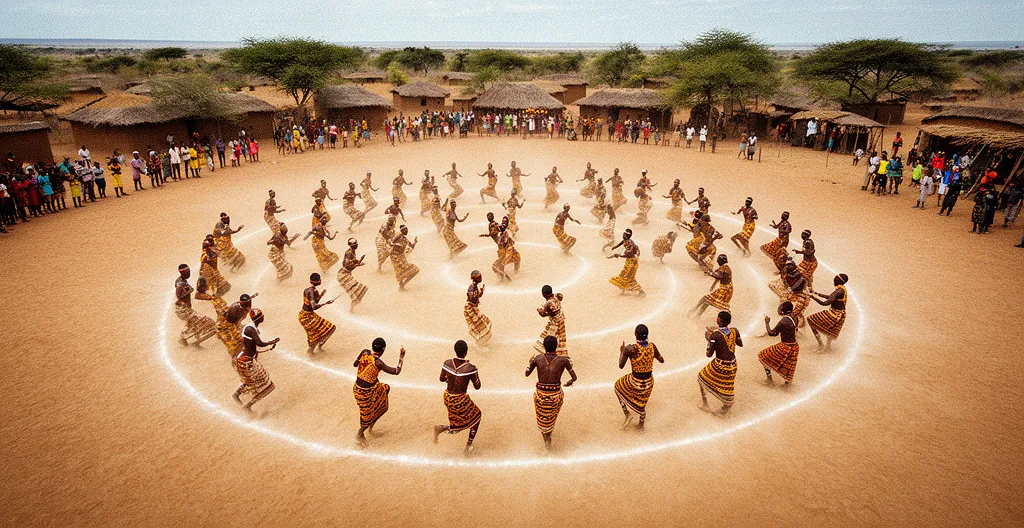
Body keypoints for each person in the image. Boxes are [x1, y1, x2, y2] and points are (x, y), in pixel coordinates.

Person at [526, 335, 577, 450]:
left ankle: (547, 443)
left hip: (540, 396)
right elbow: (574, 377)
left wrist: (529, 363)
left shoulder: (537, 358)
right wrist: (568, 383)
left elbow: (527, 373)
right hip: (555, 396)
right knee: (550, 419)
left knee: (543, 421)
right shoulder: (564, 360)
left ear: (544, 346)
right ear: (556, 346)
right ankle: (548, 440)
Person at [433, 340, 482, 455]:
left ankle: (441, 429)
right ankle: (467, 448)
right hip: (459, 399)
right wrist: (475, 373)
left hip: (447, 397)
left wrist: (451, 379)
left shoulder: (447, 363)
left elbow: (441, 379)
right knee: (476, 417)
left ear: (455, 350)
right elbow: (477, 386)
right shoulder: (470, 368)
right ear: (466, 352)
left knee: (460, 422)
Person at [353, 338, 405, 446]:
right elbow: (396, 371)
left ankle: (370, 424)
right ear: (383, 350)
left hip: (359, 388)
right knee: (371, 414)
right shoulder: (378, 363)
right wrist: (401, 356)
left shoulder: (365, 352)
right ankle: (360, 433)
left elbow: (355, 364)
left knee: (385, 389)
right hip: (366, 392)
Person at [614, 324, 664, 429]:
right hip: (649, 382)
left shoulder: (630, 349)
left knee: (617, 386)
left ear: (635, 334)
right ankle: (641, 423)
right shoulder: (652, 346)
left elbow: (621, 366)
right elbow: (661, 360)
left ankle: (627, 414)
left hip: (635, 381)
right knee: (642, 400)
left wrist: (622, 352)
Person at [232, 308, 279, 413]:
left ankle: (237, 395)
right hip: (246, 361)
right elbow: (259, 343)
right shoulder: (250, 329)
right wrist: (272, 342)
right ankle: (248, 406)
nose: (263, 317)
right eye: (262, 315)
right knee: (268, 385)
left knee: (251, 381)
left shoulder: (251, 328)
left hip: (246, 360)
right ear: (259, 318)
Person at [699, 311, 742, 415]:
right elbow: (740, 344)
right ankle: (725, 407)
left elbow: (708, 354)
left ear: (719, 321)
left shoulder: (715, 335)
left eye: (717, 318)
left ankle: (706, 404)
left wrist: (709, 339)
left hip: (721, 365)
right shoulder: (735, 330)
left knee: (701, 378)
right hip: (733, 364)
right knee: (728, 386)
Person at [759, 301, 799, 386]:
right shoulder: (795, 318)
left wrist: (767, 323)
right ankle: (787, 384)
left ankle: (769, 380)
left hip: (785, 346)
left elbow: (772, 333)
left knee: (763, 356)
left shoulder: (783, 321)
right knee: (789, 366)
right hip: (794, 346)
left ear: (783, 310)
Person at [174, 264, 217, 346]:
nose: (189, 273)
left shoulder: (182, 280)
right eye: (188, 272)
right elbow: (179, 295)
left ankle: (183, 339)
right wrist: (189, 291)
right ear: (184, 273)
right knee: (208, 321)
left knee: (193, 324)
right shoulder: (180, 283)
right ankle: (188, 338)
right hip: (183, 310)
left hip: (184, 309)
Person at [808, 274, 850, 351]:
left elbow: (825, 303)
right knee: (831, 329)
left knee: (810, 319)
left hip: (835, 313)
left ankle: (821, 344)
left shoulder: (838, 291)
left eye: (835, 280)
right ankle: (828, 347)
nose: (833, 281)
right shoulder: (842, 289)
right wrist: (816, 293)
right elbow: (831, 297)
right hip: (840, 314)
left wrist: (812, 297)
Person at [299, 273, 337, 354]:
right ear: (315, 281)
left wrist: (321, 295)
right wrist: (326, 303)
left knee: (315, 335)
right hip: (307, 316)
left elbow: (313, 302)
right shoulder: (312, 291)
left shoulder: (308, 290)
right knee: (331, 328)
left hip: (305, 315)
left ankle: (312, 350)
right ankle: (317, 347)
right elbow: (314, 306)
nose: (320, 281)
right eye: (319, 280)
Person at [608, 229, 644, 296]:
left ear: (627, 236)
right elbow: (622, 242)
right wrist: (615, 247)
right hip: (629, 262)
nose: (623, 236)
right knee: (623, 275)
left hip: (632, 262)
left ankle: (640, 290)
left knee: (628, 277)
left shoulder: (630, 244)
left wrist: (618, 255)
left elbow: (628, 254)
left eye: (624, 235)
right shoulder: (626, 241)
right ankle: (623, 289)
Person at [337, 238, 368, 309]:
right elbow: (345, 265)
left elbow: (352, 261)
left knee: (359, 291)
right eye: (354, 244)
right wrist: (357, 265)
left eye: (356, 243)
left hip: (347, 274)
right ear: (350, 245)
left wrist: (358, 261)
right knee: (359, 289)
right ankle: (351, 308)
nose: (356, 245)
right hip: (343, 275)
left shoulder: (353, 252)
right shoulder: (349, 253)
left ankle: (352, 306)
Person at [463, 271, 492, 345]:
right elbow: (472, 299)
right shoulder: (471, 289)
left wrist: (481, 292)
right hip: (470, 309)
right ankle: (480, 344)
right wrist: (477, 295)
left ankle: (481, 342)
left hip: (473, 308)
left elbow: (476, 297)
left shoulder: (474, 287)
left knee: (481, 324)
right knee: (479, 325)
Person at [390, 224, 420, 290]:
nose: (407, 231)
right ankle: (401, 285)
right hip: (395, 256)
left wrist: (415, 241)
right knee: (400, 271)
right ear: (401, 231)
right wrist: (396, 244)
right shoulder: (398, 235)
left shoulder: (405, 239)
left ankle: (403, 284)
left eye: (407, 229)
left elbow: (411, 246)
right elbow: (391, 243)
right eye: (405, 230)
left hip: (401, 256)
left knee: (415, 270)